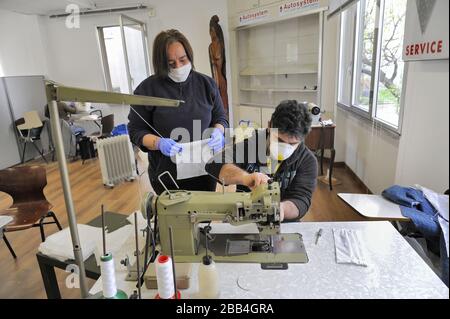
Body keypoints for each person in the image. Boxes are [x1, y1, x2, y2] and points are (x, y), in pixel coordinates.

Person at [128, 29, 228, 194]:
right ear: (161, 64)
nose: (179, 67)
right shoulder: (147, 90)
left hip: (205, 170)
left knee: (204, 216)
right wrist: (158, 143)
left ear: (189, 55)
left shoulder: (206, 84)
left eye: (183, 60)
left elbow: (220, 117)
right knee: (173, 218)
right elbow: (135, 131)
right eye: (171, 64)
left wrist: (219, 131)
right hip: (166, 175)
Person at [205, 100, 317, 222]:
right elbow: (214, 163)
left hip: (283, 223)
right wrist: (245, 177)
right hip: (246, 219)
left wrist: (281, 210)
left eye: (292, 144)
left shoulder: (307, 161)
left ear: (302, 138)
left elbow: (301, 200)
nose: (284, 147)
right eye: (279, 139)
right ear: (270, 126)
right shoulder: (251, 146)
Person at [209, 15, 229, 117]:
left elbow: (217, 56)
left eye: (215, 39)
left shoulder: (219, 48)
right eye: (212, 40)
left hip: (222, 81)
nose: (213, 44)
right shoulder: (211, 48)